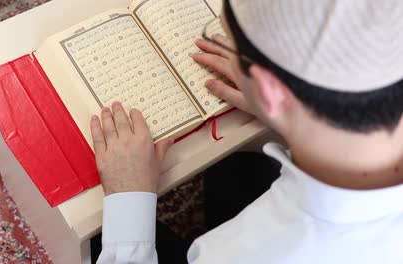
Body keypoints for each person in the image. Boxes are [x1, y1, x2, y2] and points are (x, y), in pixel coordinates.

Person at [91, 0, 403, 263]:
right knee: (237, 169)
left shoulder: (233, 254)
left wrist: (127, 197)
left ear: (271, 89)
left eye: (231, 43)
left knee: (95, 238)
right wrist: (291, 115)